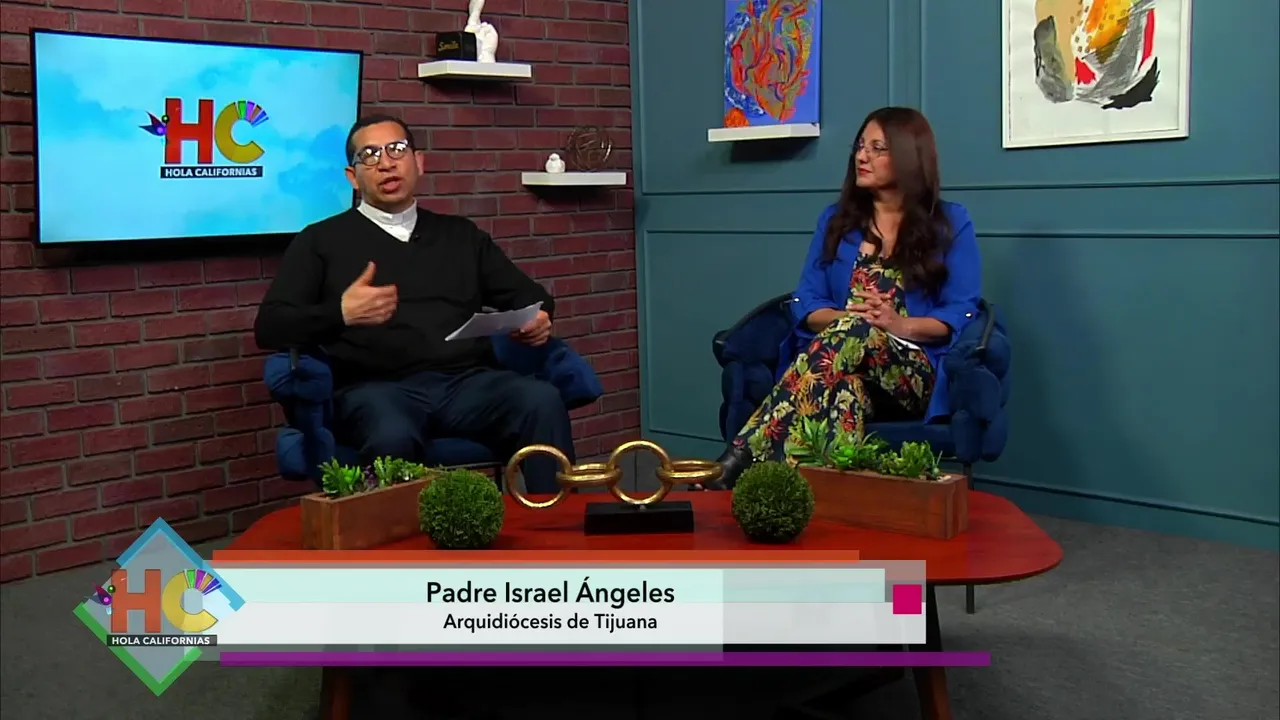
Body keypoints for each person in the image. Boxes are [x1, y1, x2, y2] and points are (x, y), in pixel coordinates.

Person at [253, 115, 573, 493]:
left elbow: (530, 296)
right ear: (353, 177)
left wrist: (539, 317)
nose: (385, 163)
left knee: (540, 400)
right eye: (369, 155)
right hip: (374, 389)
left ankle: (554, 521)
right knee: (392, 433)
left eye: (396, 150)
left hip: (465, 384)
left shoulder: (460, 235)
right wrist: (340, 313)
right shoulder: (319, 241)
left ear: (419, 162)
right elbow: (270, 326)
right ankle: (400, 532)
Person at [714, 107, 982, 488]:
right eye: (859, 146)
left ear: (909, 156)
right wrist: (849, 321)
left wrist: (897, 324)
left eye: (877, 148)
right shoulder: (835, 221)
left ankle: (740, 459)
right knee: (845, 393)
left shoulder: (951, 223)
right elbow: (807, 301)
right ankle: (817, 497)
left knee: (858, 330)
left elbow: (961, 311)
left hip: (910, 373)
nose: (861, 156)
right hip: (841, 364)